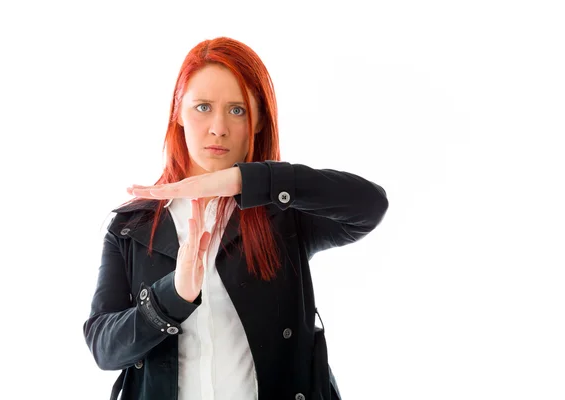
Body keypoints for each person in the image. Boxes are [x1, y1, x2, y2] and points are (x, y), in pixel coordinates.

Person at [83, 36, 389, 400]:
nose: (218, 128)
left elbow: (369, 205)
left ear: (259, 121)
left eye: (237, 110)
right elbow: (105, 347)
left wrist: (245, 179)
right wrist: (174, 296)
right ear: (177, 113)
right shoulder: (131, 228)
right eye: (202, 107)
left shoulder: (283, 215)